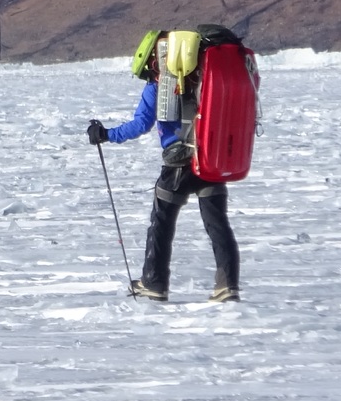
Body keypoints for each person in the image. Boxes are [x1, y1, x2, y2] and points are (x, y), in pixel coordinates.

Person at [87, 31, 241, 303]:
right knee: (217, 224)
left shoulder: (159, 85)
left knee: (162, 223)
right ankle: (227, 286)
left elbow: (140, 125)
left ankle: (154, 283)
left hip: (178, 164)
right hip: (210, 160)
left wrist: (106, 134)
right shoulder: (207, 78)